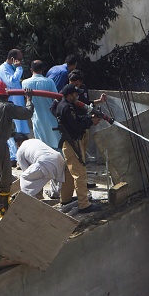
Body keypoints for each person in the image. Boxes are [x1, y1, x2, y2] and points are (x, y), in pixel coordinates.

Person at [51, 84, 101, 213]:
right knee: (80, 173)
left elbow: (75, 120)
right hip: (73, 143)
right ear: (69, 95)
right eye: (75, 94)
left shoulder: (61, 105)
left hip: (67, 143)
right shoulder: (67, 107)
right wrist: (91, 122)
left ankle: (66, 199)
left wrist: (89, 117)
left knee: (69, 172)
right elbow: (76, 127)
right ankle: (84, 204)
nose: (76, 96)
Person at [0, 81, 34, 216]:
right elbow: (26, 113)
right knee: (5, 177)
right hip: (0, 143)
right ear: (6, 96)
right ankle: (3, 211)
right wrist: (29, 99)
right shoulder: (6, 107)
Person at [0, 49, 29, 162]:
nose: (20, 62)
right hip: (9, 103)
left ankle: (20, 155)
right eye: (18, 60)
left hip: (16, 102)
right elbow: (11, 81)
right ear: (12, 59)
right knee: (12, 131)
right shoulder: (3, 69)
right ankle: (13, 157)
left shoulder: (12, 68)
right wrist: (19, 68)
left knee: (19, 131)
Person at [21, 60, 61, 150]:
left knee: (41, 145)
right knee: (56, 143)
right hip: (51, 117)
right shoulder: (49, 82)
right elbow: (57, 98)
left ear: (31, 69)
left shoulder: (25, 83)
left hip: (36, 118)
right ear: (43, 69)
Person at [14, 134, 66, 199]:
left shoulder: (20, 151)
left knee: (25, 178)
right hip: (59, 158)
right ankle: (55, 194)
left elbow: (27, 171)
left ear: (17, 143)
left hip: (44, 161)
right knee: (53, 175)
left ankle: (28, 200)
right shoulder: (36, 140)